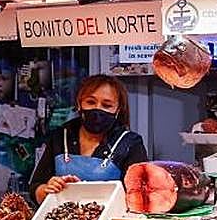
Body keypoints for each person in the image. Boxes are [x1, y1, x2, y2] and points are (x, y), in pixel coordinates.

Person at [29, 75, 148, 204]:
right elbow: (36, 186)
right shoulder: (60, 135)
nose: (98, 109)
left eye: (107, 105)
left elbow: (140, 197)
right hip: (61, 218)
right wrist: (46, 191)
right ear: (79, 104)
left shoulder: (130, 143)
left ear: (118, 110)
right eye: (90, 102)